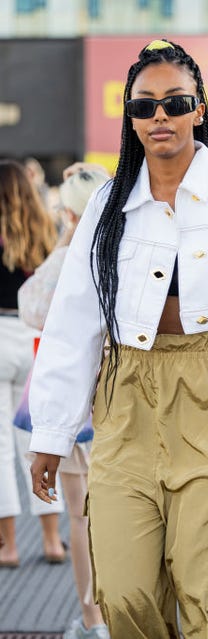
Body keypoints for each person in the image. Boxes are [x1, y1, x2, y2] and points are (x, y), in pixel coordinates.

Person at [28, 38, 208, 639]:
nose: (160, 117)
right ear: (129, 118)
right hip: (125, 400)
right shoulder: (108, 204)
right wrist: (51, 431)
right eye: (145, 106)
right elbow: (74, 322)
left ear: (199, 110)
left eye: (176, 103)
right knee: (124, 593)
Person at [16, 168, 110, 639]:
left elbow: (30, 303)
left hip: (77, 406)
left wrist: (64, 240)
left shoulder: (71, 254)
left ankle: (93, 618)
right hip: (124, 399)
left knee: (81, 516)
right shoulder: (125, 243)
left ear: (71, 212)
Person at [0, 159, 65, 569]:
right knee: (39, 440)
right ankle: (52, 540)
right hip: (37, 339)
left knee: (0, 448)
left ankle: (8, 545)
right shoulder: (47, 230)